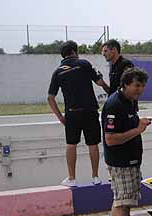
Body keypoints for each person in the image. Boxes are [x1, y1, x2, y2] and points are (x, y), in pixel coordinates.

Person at [101, 67, 152, 216]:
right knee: (124, 203)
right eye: (137, 85)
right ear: (125, 84)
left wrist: (139, 124)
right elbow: (110, 139)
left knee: (119, 199)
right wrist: (138, 129)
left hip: (130, 160)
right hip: (120, 161)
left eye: (143, 86)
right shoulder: (114, 105)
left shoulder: (130, 101)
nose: (141, 90)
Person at [47, 40, 110, 187]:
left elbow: (50, 98)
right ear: (75, 52)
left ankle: (72, 178)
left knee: (71, 144)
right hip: (90, 111)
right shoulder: (84, 64)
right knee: (93, 144)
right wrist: (111, 92)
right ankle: (95, 177)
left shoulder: (58, 72)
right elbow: (100, 82)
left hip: (72, 114)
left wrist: (60, 117)